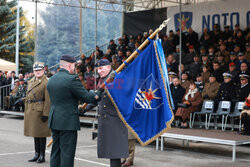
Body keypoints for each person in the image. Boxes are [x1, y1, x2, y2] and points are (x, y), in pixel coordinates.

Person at [47, 55, 101, 167]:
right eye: (74, 65)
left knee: (55, 152)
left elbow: (64, 99)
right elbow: (87, 97)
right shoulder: (72, 79)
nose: (75, 68)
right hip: (67, 122)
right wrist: (97, 94)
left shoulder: (51, 79)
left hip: (54, 119)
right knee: (67, 154)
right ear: (70, 65)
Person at [95, 59, 129, 167]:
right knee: (111, 152)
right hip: (106, 120)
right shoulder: (103, 79)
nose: (99, 71)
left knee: (115, 153)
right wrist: (84, 108)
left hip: (114, 120)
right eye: (97, 69)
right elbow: (98, 97)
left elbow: (123, 96)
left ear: (109, 67)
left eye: (101, 68)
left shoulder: (117, 79)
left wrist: (114, 81)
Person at [24, 62, 51, 163]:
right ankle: (36, 154)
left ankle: (42, 155)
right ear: (33, 71)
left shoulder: (46, 82)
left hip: (40, 110)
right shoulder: (31, 81)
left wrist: (46, 113)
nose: (38, 72)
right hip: (32, 109)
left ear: (43, 70)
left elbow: (48, 100)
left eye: (39, 70)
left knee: (41, 134)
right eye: (36, 71)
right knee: (35, 133)